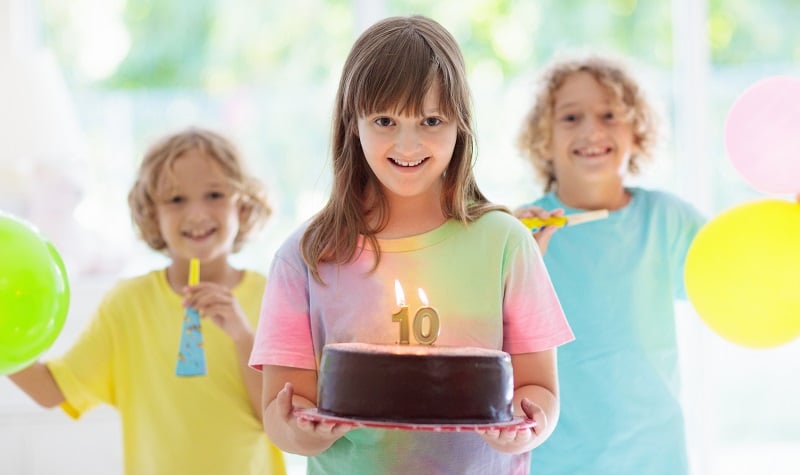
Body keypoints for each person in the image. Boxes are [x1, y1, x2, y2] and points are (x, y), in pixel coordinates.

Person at [248, 15, 574, 475]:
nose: (408, 142)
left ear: (460, 124)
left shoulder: (505, 244)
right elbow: (282, 411)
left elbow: (541, 391)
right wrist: (303, 432)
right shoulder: (305, 258)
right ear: (352, 123)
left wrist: (527, 422)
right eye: (385, 120)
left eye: (431, 120)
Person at [8, 127, 286, 475]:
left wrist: (243, 337)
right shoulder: (128, 305)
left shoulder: (273, 298)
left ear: (243, 207)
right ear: (152, 213)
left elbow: (280, 424)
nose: (196, 213)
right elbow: (52, 391)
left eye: (214, 194)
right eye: (175, 199)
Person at [515, 53, 706, 475]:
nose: (591, 129)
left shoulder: (667, 219)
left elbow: (739, 279)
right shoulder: (523, 233)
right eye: (570, 117)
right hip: (553, 459)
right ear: (542, 138)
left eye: (609, 114)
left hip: (656, 458)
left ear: (637, 133)